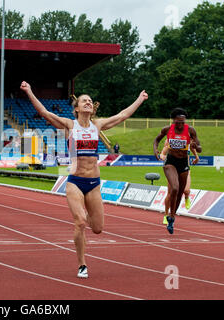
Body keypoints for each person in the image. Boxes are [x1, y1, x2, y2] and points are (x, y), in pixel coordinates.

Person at [20, 81, 148, 278]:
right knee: (80, 222)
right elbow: (45, 113)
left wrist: (139, 99)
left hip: (94, 183)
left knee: (97, 229)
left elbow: (123, 115)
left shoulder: (97, 125)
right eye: (84, 101)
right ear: (77, 108)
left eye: (90, 100)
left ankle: (85, 217)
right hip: (75, 182)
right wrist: (30, 91)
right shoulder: (70, 125)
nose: (88, 102)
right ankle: (82, 264)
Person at [153, 108, 201, 234]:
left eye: (183, 122)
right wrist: (155, 150)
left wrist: (197, 147)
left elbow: (199, 147)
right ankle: (169, 214)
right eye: (178, 122)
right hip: (171, 162)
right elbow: (157, 140)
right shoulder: (167, 129)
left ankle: (172, 217)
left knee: (180, 192)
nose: (180, 124)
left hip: (184, 163)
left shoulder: (190, 130)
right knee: (174, 188)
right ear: (173, 120)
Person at [159, 139, 199, 225]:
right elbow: (164, 150)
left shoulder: (188, 139)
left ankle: (187, 197)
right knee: (170, 194)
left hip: (185, 168)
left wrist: (196, 156)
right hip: (172, 170)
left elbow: (192, 148)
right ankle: (166, 215)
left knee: (186, 190)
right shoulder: (170, 140)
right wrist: (162, 155)